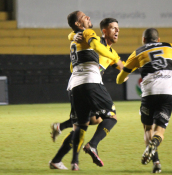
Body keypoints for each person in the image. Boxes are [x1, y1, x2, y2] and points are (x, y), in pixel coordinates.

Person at [117, 28, 172, 173]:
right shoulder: (171, 47)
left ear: (143, 40)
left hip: (150, 91)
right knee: (160, 129)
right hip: (169, 91)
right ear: (158, 39)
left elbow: (120, 78)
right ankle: (155, 144)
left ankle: (156, 163)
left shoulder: (138, 52)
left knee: (148, 128)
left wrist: (123, 78)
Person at [49, 18, 122, 170]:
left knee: (87, 123)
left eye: (118, 28)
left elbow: (122, 67)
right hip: (89, 84)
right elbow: (80, 38)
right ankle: (86, 148)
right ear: (104, 31)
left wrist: (131, 68)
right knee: (107, 117)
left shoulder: (109, 51)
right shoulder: (95, 42)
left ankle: (63, 160)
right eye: (113, 28)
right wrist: (71, 36)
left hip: (79, 85)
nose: (117, 31)